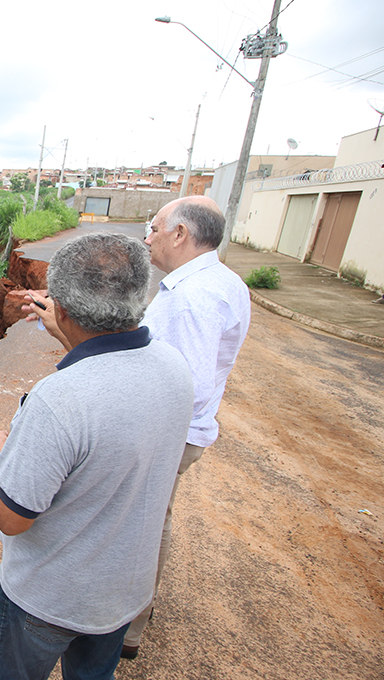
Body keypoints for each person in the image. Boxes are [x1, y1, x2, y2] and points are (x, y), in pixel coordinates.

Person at [0, 233, 194, 680]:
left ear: (59, 308)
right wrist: (73, 338)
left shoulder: (57, 402)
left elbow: (12, 518)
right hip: (121, 594)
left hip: (47, 601)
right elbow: (109, 387)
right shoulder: (176, 366)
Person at [123, 195, 250, 657]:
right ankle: (132, 615)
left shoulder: (193, 296)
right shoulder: (221, 280)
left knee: (140, 522)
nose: (148, 238)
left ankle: (126, 626)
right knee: (152, 516)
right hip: (182, 429)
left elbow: (188, 386)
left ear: (180, 234)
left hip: (168, 430)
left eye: (154, 228)